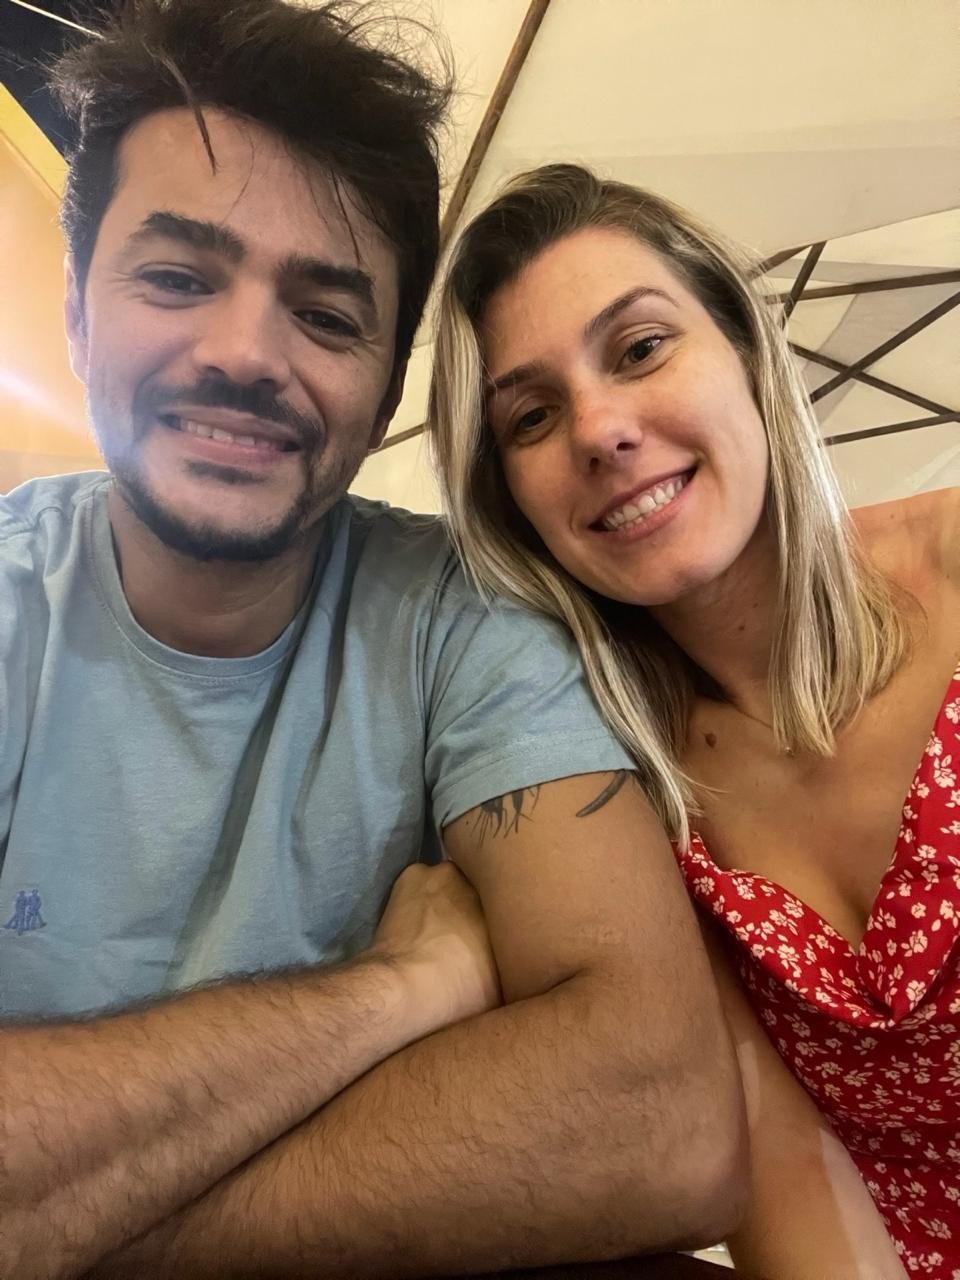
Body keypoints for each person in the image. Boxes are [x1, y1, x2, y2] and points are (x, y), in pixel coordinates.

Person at [0, 7, 748, 1278]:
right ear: (76, 311)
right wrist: (392, 991)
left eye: (327, 315)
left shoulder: (466, 614)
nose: (244, 354)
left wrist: (73, 1213)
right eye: (177, 277)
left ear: (390, 382)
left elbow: (662, 1118)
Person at [429, 162, 960, 1279]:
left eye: (639, 348)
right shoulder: (617, 787)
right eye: (532, 416)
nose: (599, 430)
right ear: (510, 504)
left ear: (747, 349)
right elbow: (787, 1155)